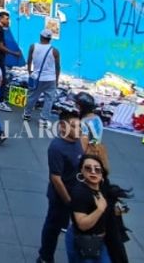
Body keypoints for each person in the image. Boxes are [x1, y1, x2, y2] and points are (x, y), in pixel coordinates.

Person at [37, 111, 84, 263]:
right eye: (74, 126)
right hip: (61, 197)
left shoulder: (78, 141)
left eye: (79, 126)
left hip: (76, 192)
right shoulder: (57, 148)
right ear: (63, 127)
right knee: (52, 227)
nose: (79, 130)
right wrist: (68, 201)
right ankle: (45, 257)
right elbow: (56, 179)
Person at [66, 155, 112, 263]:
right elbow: (82, 225)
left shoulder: (103, 188)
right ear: (81, 171)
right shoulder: (80, 193)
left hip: (100, 241)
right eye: (88, 168)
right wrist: (99, 210)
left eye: (97, 169)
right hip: (84, 243)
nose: (93, 172)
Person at [24, 29, 61, 128]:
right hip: (50, 79)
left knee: (32, 97)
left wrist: (30, 72)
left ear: (40, 36)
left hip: (36, 77)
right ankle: (43, 120)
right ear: (50, 39)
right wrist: (57, 80)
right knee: (49, 99)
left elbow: (29, 60)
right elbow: (58, 67)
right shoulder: (55, 51)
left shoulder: (33, 46)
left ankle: (27, 114)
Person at [0, 11, 20, 112]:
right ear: (0, 19)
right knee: (2, 79)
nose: (8, 21)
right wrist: (14, 53)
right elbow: (1, 46)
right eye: (6, 19)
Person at [75, 92, 108, 173]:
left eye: (77, 105)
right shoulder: (96, 118)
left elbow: (83, 143)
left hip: (87, 154)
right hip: (96, 152)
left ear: (81, 107)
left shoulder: (84, 122)